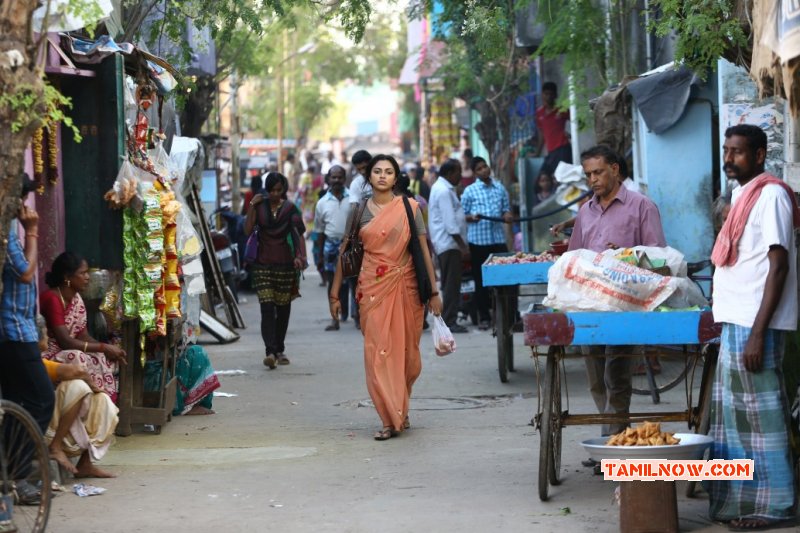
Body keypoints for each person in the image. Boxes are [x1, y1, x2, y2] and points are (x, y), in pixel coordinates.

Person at [708, 124, 799, 531]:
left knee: (764, 419)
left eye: (738, 152)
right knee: (737, 421)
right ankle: (744, 499)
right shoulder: (740, 194)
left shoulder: (773, 195)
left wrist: (760, 333)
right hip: (737, 318)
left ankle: (777, 504)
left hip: (755, 323)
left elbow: (778, 267)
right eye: (727, 151)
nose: (729, 159)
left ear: (760, 155)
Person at [328, 154, 443, 440]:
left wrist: (434, 291)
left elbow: (423, 251)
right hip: (372, 289)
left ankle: (399, 409)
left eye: (388, 172)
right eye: (377, 171)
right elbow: (346, 251)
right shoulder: (359, 212)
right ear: (369, 177)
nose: (382, 176)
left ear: (395, 177)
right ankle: (389, 418)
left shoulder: (409, 208)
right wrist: (334, 292)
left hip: (407, 288)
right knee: (377, 354)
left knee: (407, 357)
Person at [567, 146, 666, 442]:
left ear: (615, 170)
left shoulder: (641, 206)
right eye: (588, 175)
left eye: (598, 172)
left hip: (626, 305)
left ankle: (612, 443)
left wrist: (626, 256)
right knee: (596, 378)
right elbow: (574, 255)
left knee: (618, 377)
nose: (593, 180)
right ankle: (612, 436)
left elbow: (659, 258)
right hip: (589, 304)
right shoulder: (586, 211)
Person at [0, 175, 54, 504]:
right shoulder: (7, 231)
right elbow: (24, 271)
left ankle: (10, 476)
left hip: (19, 329)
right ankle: (15, 472)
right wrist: (32, 231)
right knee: (41, 399)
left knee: (20, 403)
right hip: (12, 331)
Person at [38, 315, 118, 479]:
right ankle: (56, 446)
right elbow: (77, 372)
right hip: (43, 427)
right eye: (45, 334)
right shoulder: (32, 361)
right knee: (78, 386)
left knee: (103, 401)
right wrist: (94, 385)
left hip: (55, 420)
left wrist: (98, 391)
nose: (47, 337)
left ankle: (85, 463)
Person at [40, 252, 127, 402]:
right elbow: (65, 342)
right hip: (49, 355)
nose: (88, 277)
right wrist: (103, 347)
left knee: (101, 357)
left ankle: (102, 404)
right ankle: (86, 401)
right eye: (83, 273)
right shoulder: (52, 298)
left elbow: (83, 335)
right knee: (78, 356)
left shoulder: (76, 298)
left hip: (67, 350)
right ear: (67, 277)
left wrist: (107, 349)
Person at [244, 172, 308, 369]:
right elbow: (247, 230)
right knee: (267, 307)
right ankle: (270, 351)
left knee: (283, 308)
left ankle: (279, 348)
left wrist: (301, 256)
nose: (275, 194)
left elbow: (299, 233)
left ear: (284, 190)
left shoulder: (290, 208)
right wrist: (252, 205)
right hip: (262, 263)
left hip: (285, 263)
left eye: (279, 190)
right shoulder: (259, 205)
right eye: (271, 190)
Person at [461, 156, 513, 330]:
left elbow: (506, 209)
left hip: (497, 240)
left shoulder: (500, 188)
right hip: (478, 242)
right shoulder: (470, 191)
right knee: (481, 280)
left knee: (506, 278)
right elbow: (461, 215)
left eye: (485, 167)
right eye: (479, 169)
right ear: (475, 173)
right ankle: (484, 316)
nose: (484, 170)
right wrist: (471, 217)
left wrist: (507, 215)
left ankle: (508, 316)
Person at [428, 158, 469, 334]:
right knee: (451, 283)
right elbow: (450, 223)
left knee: (449, 283)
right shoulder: (443, 191)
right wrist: (463, 247)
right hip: (449, 244)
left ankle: (448, 317)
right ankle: (450, 320)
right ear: (450, 173)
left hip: (446, 243)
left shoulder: (442, 188)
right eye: (458, 172)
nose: (461, 175)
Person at [315, 165, 352, 331]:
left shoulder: (353, 199)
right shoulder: (322, 203)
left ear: (345, 179)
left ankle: (358, 318)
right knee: (332, 283)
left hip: (351, 244)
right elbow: (320, 231)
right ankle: (334, 319)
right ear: (328, 179)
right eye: (333, 177)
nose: (336, 180)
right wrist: (320, 256)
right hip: (330, 245)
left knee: (354, 282)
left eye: (340, 177)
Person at [535, 82, 572, 175]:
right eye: (546, 94)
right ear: (542, 95)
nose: (548, 97)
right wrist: (537, 153)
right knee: (541, 179)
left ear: (555, 95)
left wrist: (571, 135)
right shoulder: (539, 113)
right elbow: (542, 135)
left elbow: (578, 121)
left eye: (551, 94)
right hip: (550, 152)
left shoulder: (561, 109)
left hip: (563, 149)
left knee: (562, 178)